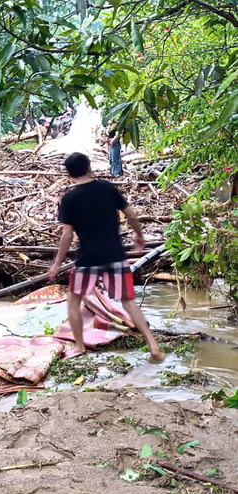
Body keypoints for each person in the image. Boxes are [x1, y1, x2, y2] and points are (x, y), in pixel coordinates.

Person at [48, 152, 164, 361]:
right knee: (128, 301)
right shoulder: (107, 188)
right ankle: (153, 345)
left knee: (73, 301)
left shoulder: (69, 199)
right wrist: (139, 236)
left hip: (87, 258)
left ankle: (80, 347)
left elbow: (67, 235)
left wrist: (57, 264)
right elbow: (130, 214)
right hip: (115, 255)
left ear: (69, 173)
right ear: (89, 167)